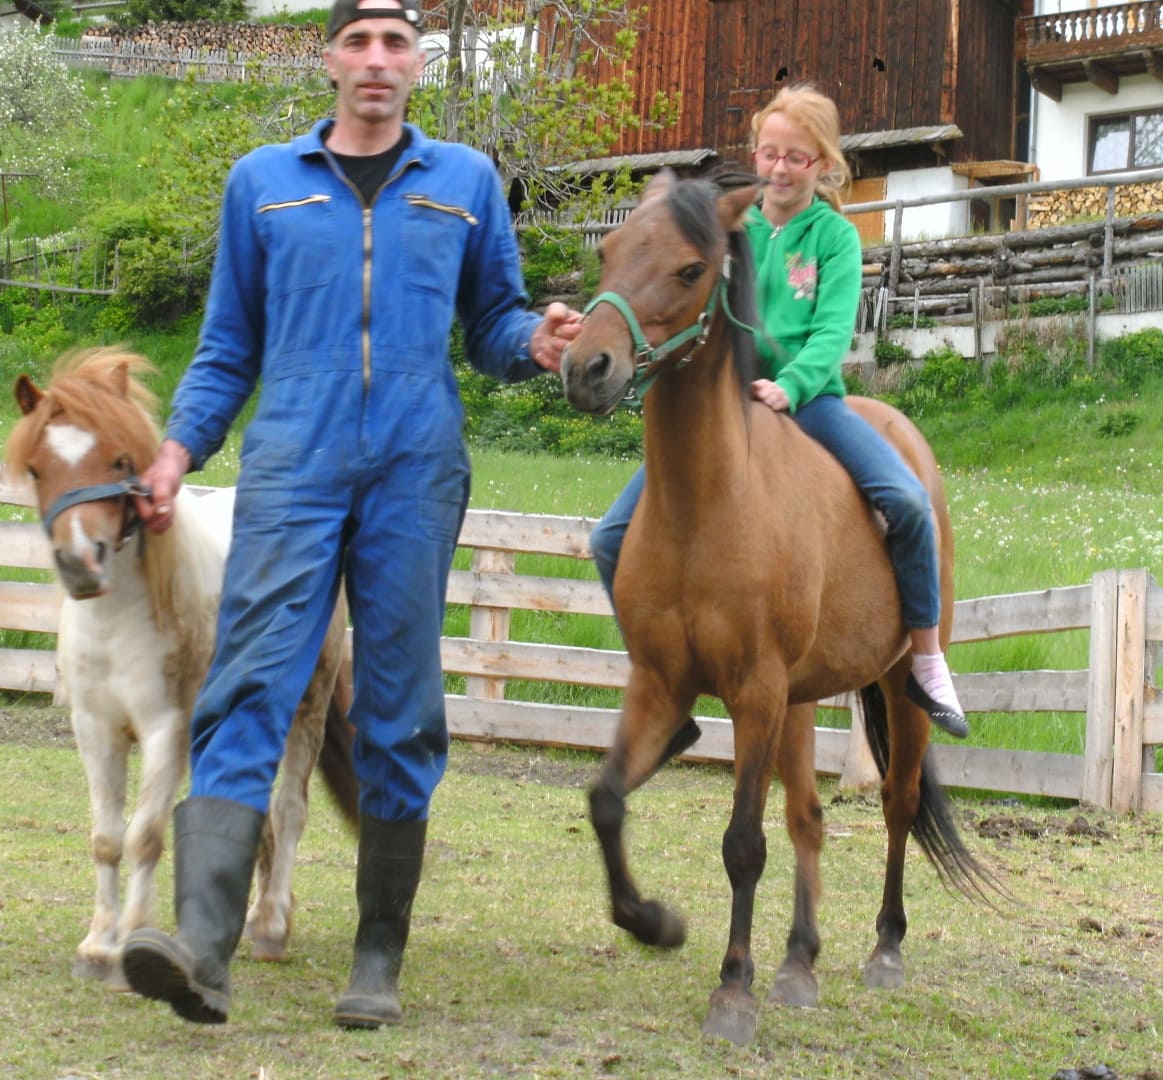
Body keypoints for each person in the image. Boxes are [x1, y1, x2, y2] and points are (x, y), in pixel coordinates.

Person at [119, 0, 581, 1031]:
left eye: (396, 43)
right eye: (359, 41)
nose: (377, 59)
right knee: (248, 683)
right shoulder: (262, 183)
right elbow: (227, 345)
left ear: (418, 63)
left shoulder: (465, 180)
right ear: (330, 58)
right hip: (293, 462)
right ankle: (202, 951)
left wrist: (536, 342)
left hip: (416, 468)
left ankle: (376, 957)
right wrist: (177, 451)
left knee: (400, 703)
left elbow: (492, 322)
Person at [588, 83, 968, 739]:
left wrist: (791, 385)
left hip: (809, 404)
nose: (781, 168)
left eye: (797, 157)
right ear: (756, 154)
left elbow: (832, 333)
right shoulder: (732, 229)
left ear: (823, 164)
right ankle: (659, 682)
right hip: (730, 412)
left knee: (908, 502)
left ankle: (928, 658)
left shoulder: (835, 238)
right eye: (770, 154)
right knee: (607, 539)